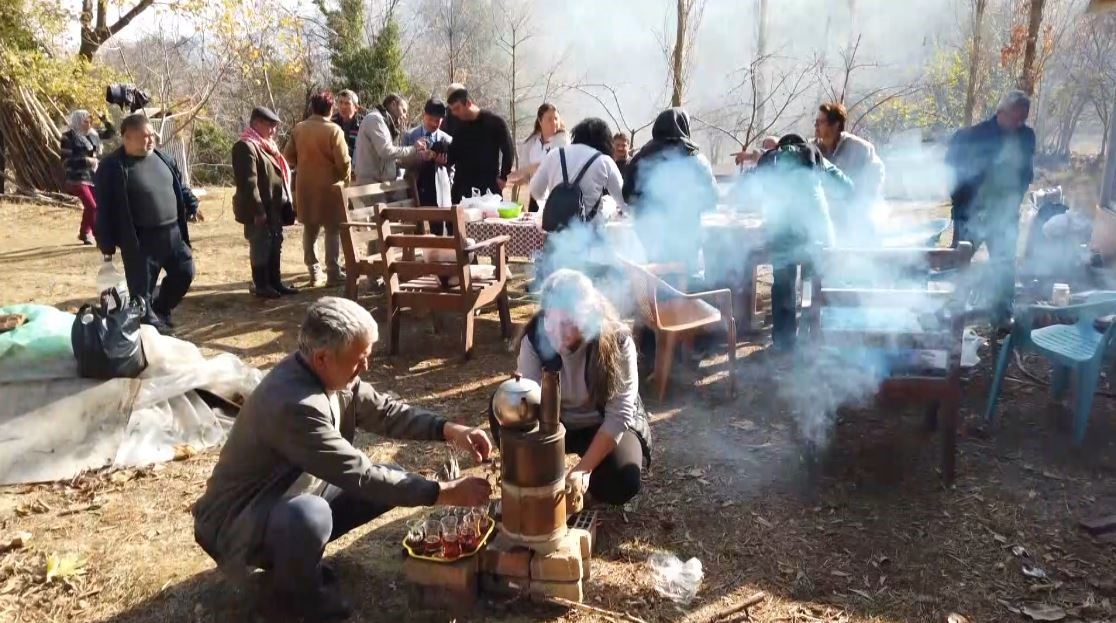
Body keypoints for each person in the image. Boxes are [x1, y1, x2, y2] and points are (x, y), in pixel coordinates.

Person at [193, 297, 493, 621]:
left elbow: (386, 412)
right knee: (311, 515)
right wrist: (442, 492)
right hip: (238, 522)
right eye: (359, 359)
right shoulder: (294, 404)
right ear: (322, 357)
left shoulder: (333, 375)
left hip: (286, 496)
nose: (365, 367)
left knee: (390, 478)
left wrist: (449, 429)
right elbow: (358, 474)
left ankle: (296, 565)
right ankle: (294, 603)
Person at [488, 270, 651, 506]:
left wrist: (582, 471)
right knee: (506, 404)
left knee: (622, 480)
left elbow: (618, 415)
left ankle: (591, 479)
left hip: (600, 424)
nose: (556, 332)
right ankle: (534, 476)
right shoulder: (535, 338)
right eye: (550, 320)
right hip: (554, 423)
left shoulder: (618, 341)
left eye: (567, 323)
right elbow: (529, 405)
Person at [747, 134, 852, 352]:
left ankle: (785, 345)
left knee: (783, 287)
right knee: (817, 285)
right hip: (817, 232)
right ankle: (818, 341)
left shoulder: (771, 159)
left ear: (781, 146)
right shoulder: (815, 156)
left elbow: (747, 189)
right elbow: (847, 187)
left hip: (783, 232)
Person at [94, 113, 198, 334]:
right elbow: (102, 207)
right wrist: (105, 242)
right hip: (140, 241)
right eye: (144, 137)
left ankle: (162, 308)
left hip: (173, 233)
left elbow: (179, 185)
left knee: (185, 272)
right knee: (142, 291)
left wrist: (193, 204)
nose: (150, 140)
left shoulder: (163, 158)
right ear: (127, 138)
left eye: (151, 135)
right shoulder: (111, 167)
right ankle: (149, 327)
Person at [946, 89, 1036, 324]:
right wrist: (962, 205)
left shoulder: (1027, 137)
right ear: (1000, 112)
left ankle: (1002, 314)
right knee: (960, 264)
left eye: (1022, 120)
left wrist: (1014, 200)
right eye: (1014, 118)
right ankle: (952, 311)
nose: (1017, 124)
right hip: (971, 214)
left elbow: (1026, 173)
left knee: (1004, 265)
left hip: (1004, 215)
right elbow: (953, 172)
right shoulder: (972, 136)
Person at [622, 108, 718, 280]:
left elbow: (627, 196)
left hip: (649, 236)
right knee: (688, 280)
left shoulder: (641, 157)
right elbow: (711, 199)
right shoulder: (696, 158)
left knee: (658, 282)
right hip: (686, 236)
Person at [285, 91, 352, 288]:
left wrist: (304, 164)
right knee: (332, 229)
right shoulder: (334, 130)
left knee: (310, 228)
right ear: (330, 109)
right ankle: (333, 271)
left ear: (312, 108)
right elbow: (343, 161)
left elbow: (288, 156)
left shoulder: (299, 129)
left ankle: (314, 271)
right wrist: (345, 177)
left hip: (305, 185)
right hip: (330, 187)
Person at [232, 106, 298, 299]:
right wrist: (258, 211)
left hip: (275, 206)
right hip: (259, 208)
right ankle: (261, 284)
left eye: (275, 126)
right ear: (256, 123)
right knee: (260, 245)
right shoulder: (246, 146)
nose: (273, 130)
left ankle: (275, 282)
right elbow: (248, 184)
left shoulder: (267, 145)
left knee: (275, 243)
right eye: (269, 125)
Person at [813, 102, 885, 243]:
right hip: (825, 221)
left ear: (835, 125)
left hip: (854, 221)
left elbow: (876, 176)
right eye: (815, 122)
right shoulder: (812, 150)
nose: (816, 127)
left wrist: (860, 202)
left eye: (821, 122)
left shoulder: (861, 149)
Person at [444, 88, 514, 204]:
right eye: (452, 110)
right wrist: (442, 155)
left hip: (489, 187)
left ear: (468, 103)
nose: (455, 113)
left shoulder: (494, 122)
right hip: (463, 189)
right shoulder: (457, 126)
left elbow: (508, 150)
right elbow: (453, 154)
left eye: (457, 108)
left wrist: (503, 177)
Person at [61, 110, 115, 246]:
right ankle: (91, 233)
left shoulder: (93, 135)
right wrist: (86, 160)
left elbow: (111, 132)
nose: (89, 123)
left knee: (97, 206)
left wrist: (104, 119)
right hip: (76, 177)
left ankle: (86, 232)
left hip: (93, 176)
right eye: (86, 121)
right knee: (92, 205)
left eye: (90, 121)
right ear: (78, 121)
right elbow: (65, 160)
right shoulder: (68, 137)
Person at [353, 93, 428, 185]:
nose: (404, 116)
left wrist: (420, 158)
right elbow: (386, 151)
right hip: (371, 185)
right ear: (393, 105)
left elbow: (392, 159)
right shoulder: (375, 120)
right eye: (403, 111)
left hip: (381, 184)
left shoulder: (387, 125)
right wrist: (414, 148)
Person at [403, 99, 453, 232]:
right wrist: (417, 156)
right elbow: (402, 163)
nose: (434, 123)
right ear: (423, 115)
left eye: (438, 120)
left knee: (439, 232)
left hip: (439, 193)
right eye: (431, 119)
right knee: (415, 232)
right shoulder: (409, 136)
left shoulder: (447, 139)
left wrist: (445, 165)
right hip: (415, 190)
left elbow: (453, 169)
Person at [516, 103, 570, 212]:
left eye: (556, 118)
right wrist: (523, 178)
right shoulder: (531, 142)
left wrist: (532, 168)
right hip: (535, 197)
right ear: (540, 121)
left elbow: (552, 164)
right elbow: (526, 169)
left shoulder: (563, 140)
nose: (554, 123)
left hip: (556, 197)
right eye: (549, 119)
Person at [331, 90, 364, 166]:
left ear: (356, 107)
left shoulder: (363, 124)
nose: (343, 107)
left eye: (347, 103)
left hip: (356, 168)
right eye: (341, 102)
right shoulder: (331, 123)